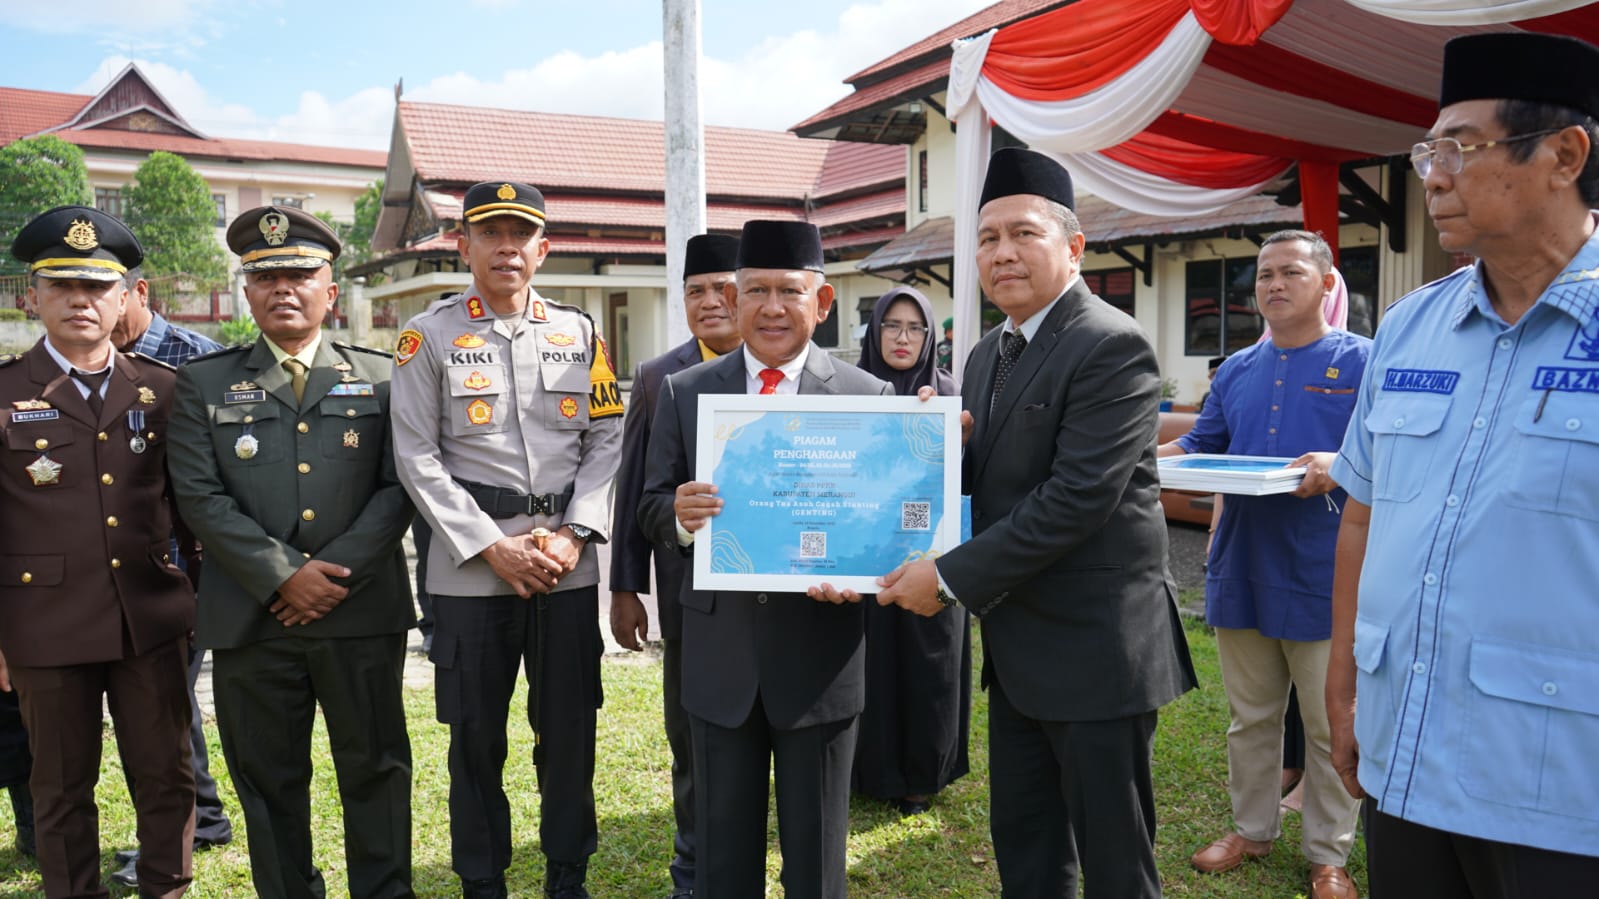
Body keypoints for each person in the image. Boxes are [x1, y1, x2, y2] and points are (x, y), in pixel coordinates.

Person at [876, 148, 1196, 899]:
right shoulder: (988, 352)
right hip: (1019, 649)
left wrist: (946, 579)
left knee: (1115, 862)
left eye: (1023, 233)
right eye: (987, 239)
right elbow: (997, 479)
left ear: (1073, 246)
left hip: (1095, 651)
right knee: (1026, 846)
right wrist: (936, 449)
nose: (1002, 253)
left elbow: (1075, 499)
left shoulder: (1109, 343)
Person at [1328, 32, 1599, 896]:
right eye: (1427, 153)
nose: (1433, 177)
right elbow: (1363, 513)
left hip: (1560, 783)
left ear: (1563, 155)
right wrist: (1342, 686)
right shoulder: (1410, 326)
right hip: (1405, 753)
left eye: (1460, 148)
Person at [167, 205, 416, 899]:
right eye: (266, 276)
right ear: (246, 292)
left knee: (375, 767)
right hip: (253, 616)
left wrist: (330, 575)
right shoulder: (204, 382)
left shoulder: (383, 374)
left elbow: (400, 484)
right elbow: (199, 496)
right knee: (268, 778)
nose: (283, 288)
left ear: (330, 291)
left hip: (359, 610)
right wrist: (284, 576)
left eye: (300, 275)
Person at [638, 220, 891, 898]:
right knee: (723, 861)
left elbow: (882, 519)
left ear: (822, 301)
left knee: (815, 862)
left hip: (819, 658)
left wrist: (861, 571)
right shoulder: (686, 391)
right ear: (733, 296)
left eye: (789, 290)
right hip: (720, 658)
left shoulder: (869, 398)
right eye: (755, 290)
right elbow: (649, 504)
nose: (771, 307)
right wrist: (680, 516)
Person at [391, 181, 623, 899]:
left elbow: (607, 437)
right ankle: (482, 879)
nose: (506, 248)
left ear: (542, 249)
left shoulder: (580, 332)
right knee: (475, 739)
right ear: (462, 245)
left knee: (569, 734)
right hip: (470, 573)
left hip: (565, 568)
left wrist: (576, 534)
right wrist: (491, 545)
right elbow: (415, 454)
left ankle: (567, 875)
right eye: (489, 233)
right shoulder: (426, 335)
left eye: (520, 234)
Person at [1160, 230, 1368, 899]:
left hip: (1325, 570)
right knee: (1250, 716)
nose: (1273, 285)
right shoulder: (1237, 370)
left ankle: (1328, 854)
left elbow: (1392, 449)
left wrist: (1340, 463)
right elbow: (1202, 442)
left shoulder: (1363, 362)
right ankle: (1251, 829)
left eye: (1290, 272)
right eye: (1263, 275)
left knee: (1327, 721)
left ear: (1326, 283)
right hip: (1242, 561)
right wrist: (1139, 458)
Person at [2, 205, 197, 898]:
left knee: (167, 774)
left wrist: (200, 608)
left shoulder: (163, 388)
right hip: (43, 625)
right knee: (59, 785)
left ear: (125, 298)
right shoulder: (4, 391)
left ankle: (166, 887)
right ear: (32, 297)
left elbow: (194, 516)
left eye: (96, 287)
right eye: (62, 286)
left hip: (149, 620)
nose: (80, 300)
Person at [609, 231, 740, 898]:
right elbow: (635, 487)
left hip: (775, 594)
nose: (710, 302)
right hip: (689, 594)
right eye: (695, 291)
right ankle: (692, 865)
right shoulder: (658, 377)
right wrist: (625, 587)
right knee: (690, 730)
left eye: (723, 288)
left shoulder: (783, 369)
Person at [106, 264, 234, 888]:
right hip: (116, 568)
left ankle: (189, 826)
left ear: (138, 293)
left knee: (161, 702)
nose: (93, 306)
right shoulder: (85, 361)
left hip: (187, 566)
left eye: (105, 291)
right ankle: (202, 817)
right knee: (165, 700)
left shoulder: (198, 359)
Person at [850, 285, 969, 817]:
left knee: (928, 660)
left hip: (930, 556)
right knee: (871, 662)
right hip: (867, 554)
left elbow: (972, 480)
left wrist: (957, 437)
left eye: (915, 327)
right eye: (891, 326)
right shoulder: (850, 389)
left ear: (930, 336)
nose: (903, 338)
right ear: (874, 332)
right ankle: (867, 772)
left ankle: (922, 776)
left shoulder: (948, 395)